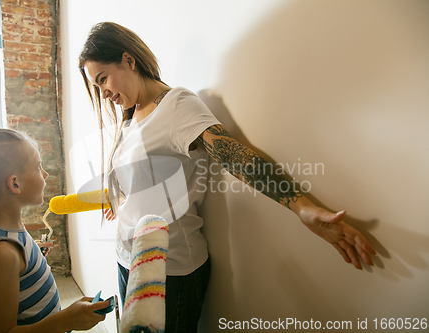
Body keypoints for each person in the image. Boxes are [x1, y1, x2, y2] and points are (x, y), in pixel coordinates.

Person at [78, 22, 377, 332]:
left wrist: (301, 206)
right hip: (128, 259)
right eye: (97, 88)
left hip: (171, 270)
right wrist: (121, 198)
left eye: (103, 80)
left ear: (128, 60)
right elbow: (141, 173)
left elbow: (232, 154)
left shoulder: (176, 106)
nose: (103, 94)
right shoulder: (132, 114)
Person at [0, 125, 109, 332]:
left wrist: (28, 262)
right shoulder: (2, 252)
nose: (45, 174)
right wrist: (67, 320)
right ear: (15, 184)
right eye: (38, 167)